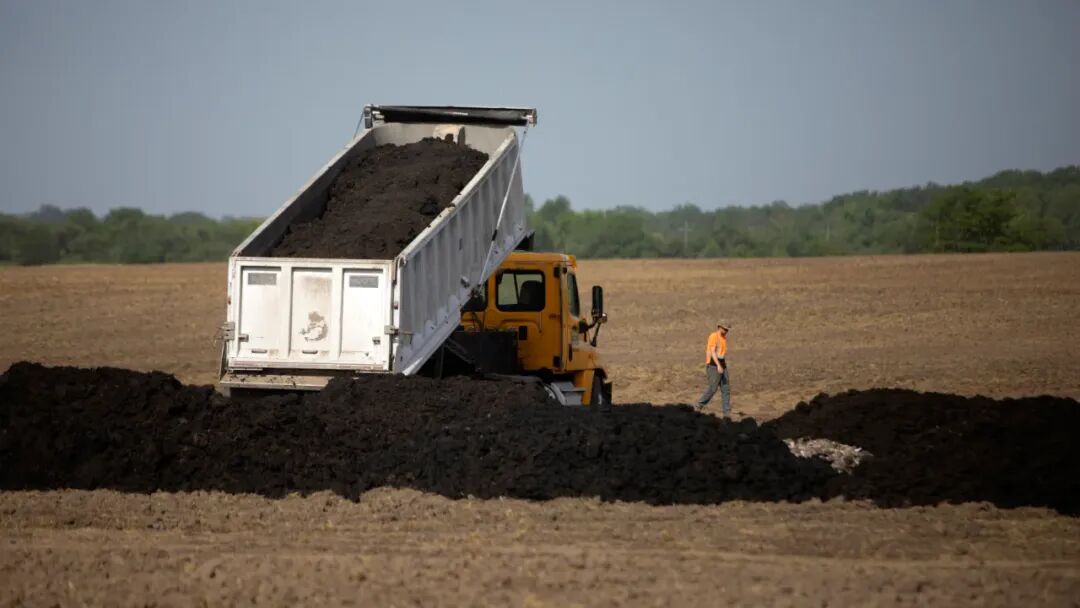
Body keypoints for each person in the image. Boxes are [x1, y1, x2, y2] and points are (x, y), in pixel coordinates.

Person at [697, 323, 731, 416]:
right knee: (713, 388)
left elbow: (721, 353)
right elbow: (712, 352)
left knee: (726, 388)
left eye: (727, 330)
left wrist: (722, 365)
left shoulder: (724, 338)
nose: (726, 331)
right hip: (713, 364)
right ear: (719, 327)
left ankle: (727, 412)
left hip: (722, 363)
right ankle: (699, 405)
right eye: (725, 329)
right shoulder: (713, 336)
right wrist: (718, 365)